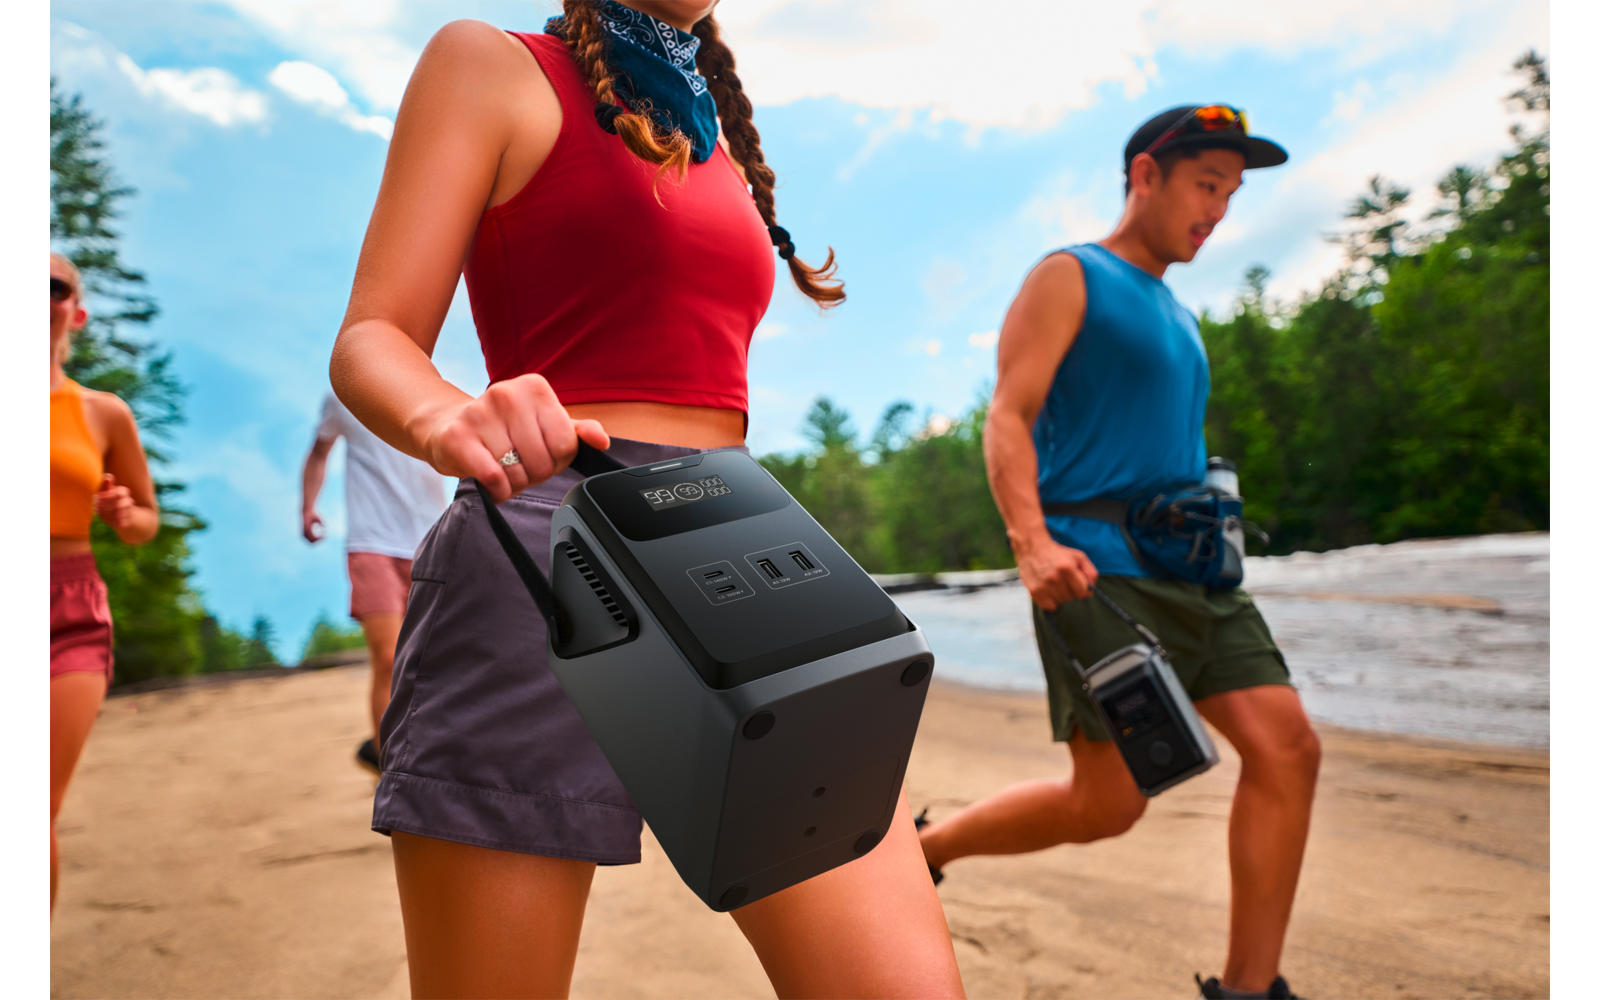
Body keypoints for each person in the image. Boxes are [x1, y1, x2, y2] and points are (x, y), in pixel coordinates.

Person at [328, 2, 964, 997]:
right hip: (546, 548)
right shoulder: (490, 66)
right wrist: (447, 416)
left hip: (745, 545)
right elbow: (372, 333)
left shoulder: (707, 122)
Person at [914, 107, 1319, 1000]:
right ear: (1147, 174)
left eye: (1233, 193)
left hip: (1201, 576)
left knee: (1288, 750)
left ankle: (1251, 990)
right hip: (1098, 573)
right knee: (1110, 806)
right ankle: (927, 849)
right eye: (1207, 184)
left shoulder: (1177, 310)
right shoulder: (1071, 276)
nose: (1219, 209)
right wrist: (1031, 543)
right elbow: (1007, 418)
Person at [50, 252, 161, 912]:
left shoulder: (102, 413)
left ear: (77, 312)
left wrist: (125, 514)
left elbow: (147, 520)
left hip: (70, 609)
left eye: (53, 287)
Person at [302, 391, 446, 772]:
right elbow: (318, 452)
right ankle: (393, 771)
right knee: (388, 658)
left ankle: (427, 754)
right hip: (371, 541)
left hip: (430, 539)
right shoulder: (344, 394)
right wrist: (308, 506)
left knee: (435, 658)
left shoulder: (430, 387)